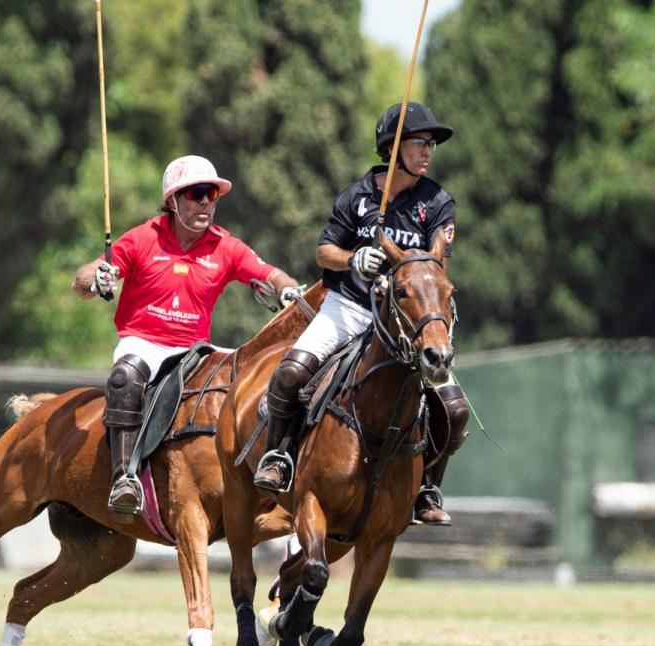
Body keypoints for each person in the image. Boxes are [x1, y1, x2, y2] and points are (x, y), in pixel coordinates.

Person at [252, 101, 470, 525]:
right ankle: (278, 457)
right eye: (418, 143)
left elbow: (435, 262)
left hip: (404, 322)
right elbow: (323, 251)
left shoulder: (438, 201)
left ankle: (426, 487)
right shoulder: (356, 197)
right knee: (290, 373)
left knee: (455, 409)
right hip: (348, 307)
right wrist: (354, 260)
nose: (427, 151)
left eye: (431, 145)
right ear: (392, 148)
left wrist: (399, 270)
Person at [73, 154, 300, 515]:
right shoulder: (143, 238)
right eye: (196, 194)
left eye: (211, 194)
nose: (206, 203)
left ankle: (271, 473)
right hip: (144, 343)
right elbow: (84, 281)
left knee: (261, 380)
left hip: (197, 350)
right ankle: (124, 478)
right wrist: (96, 277)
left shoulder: (225, 245)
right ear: (173, 201)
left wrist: (287, 289)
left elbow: (269, 274)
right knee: (125, 376)